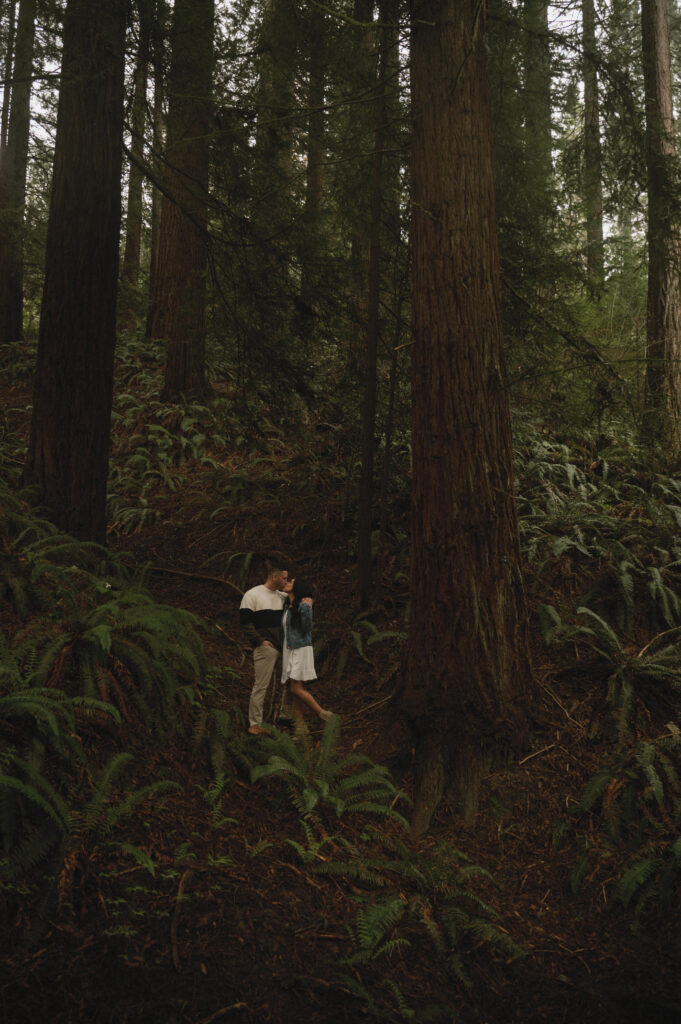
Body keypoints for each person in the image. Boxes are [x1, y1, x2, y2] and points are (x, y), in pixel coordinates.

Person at [239, 566, 289, 735]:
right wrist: (260, 641)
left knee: (288, 682)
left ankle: (281, 715)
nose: (286, 582)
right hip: (265, 648)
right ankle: (255, 723)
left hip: (283, 648)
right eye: (284, 578)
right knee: (261, 686)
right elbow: (245, 623)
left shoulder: (283, 597)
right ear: (274, 576)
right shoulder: (252, 595)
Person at [281, 578, 333, 730]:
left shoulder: (304, 605)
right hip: (290, 649)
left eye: (290, 582)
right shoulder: (288, 605)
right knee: (297, 688)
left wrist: (306, 607)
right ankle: (300, 726)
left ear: (297, 587)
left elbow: (306, 628)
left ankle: (323, 714)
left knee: (294, 689)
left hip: (300, 649)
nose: (286, 582)